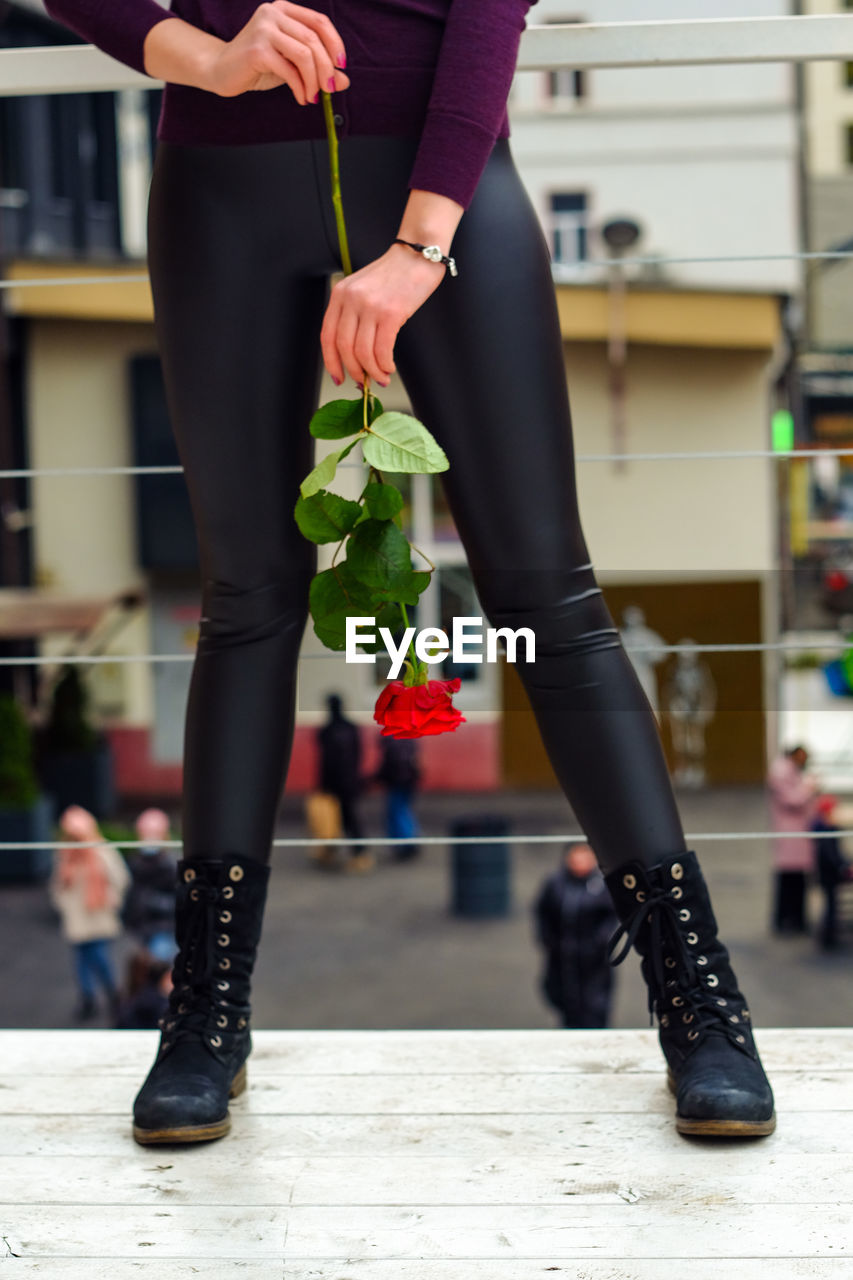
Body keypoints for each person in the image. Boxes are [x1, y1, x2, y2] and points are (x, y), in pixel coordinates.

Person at [41, 0, 775, 1143]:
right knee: (246, 601)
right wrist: (211, 61)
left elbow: (487, 10)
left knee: (546, 592)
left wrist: (417, 248)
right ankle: (203, 1018)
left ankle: (702, 1007)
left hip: (444, 185)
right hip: (217, 193)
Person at [49, 805, 131, 1022]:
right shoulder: (65, 855)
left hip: (98, 914)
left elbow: (120, 878)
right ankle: (89, 997)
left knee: (98, 955)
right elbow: (58, 885)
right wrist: (63, 904)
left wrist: (111, 898)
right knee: (81, 960)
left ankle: (112, 992)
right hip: (77, 917)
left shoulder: (102, 851)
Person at [533, 842, 619, 1029]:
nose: (580, 862)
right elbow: (542, 912)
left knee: (594, 1005)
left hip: (594, 959)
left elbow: (612, 916)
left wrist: (601, 942)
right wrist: (548, 940)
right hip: (563, 957)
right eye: (576, 857)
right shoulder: (555, 884)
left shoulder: (602, 885)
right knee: (566, 1002)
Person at [316, 693, 372, 873]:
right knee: (346, 819)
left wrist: (322, 785)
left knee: (335, 819)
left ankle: (351, 854)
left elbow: (326, 761)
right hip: (350, 782)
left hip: (335, 784)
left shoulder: (327, 731)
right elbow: (358, 756)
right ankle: (358, 854)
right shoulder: (351, 728)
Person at [767, 744, 820, 934]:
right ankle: (787, 920)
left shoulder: (788, 770)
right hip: (791, 833)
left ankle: (796, 919)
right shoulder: (781, 772)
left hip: (797, 833)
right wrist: (809, 787)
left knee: (797, 880)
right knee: (789, 880)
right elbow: (792, 799)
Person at [122, 808, 178, 961]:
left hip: (162, 929)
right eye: (145, 833)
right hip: (140, 929)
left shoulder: (170, 864)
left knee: (159, 971)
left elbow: (179, 900)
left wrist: (152, 902)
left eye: (153, 834)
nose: (149, 839)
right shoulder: (135, 862)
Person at [811, 795, 852, 952]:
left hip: (829, 874)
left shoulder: (828, 830)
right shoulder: (826, 834)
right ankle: (828, 938)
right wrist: (845, 867)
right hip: (829, 875)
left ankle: (829, 936)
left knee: (831, 906)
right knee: (830, 907)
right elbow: (833, 857)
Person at [372, 734, 421, 861]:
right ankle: (410, 839)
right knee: (404, 810)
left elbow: (390, 763)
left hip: (397, 781)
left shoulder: (391, 740)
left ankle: (405, 843)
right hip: (408, 780)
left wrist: (377, 777)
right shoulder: (409, 738)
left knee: (396, 812)